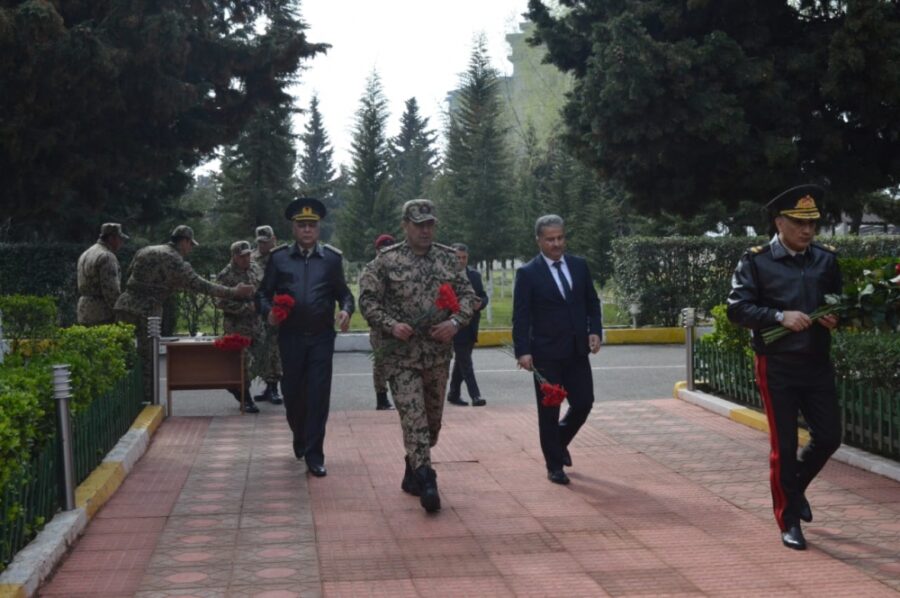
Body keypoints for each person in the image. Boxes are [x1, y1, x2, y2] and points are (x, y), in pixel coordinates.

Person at [727, 184, 843, 551]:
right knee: (785, 446)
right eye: (799, 223)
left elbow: (837, 301)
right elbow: (737, 309)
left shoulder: (826, 259)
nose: (807, 231)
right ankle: (788, 519)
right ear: (780, 223)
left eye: (812, 224)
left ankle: (794, 488)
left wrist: (836, 317)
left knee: (829, 436)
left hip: (817, 363)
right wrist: (779, 316)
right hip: (777, 365)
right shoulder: (756, 261)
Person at [359, 199, 476, 513]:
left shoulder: (448, 258)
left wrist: (455, 323)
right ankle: (427, 480)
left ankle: (412, 470)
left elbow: (469, 297)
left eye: (429, 225)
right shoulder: (386, 261)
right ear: (405, 225)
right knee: (414, 421)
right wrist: (391, 325)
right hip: (401, 357)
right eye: (419, 224)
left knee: (432, 424)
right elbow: (367, 301)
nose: (425, 230)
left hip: (437, 355)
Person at [255, 198, 354, 478]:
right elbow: (262, 294)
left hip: (322, 337)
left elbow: (344, 294)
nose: (307, 230)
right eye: (302, 225)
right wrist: (268, 312)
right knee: (293, 393)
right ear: (294, 228)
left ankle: (314, 453)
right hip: (291, 337)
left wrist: (346, 311)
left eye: (312, 225)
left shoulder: (331, 259)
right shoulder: (279, 258)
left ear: (319, 228)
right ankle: (299, 434)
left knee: (318, 395)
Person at [115, 225, 254, 403]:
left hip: (124, 305)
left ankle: (120, 401)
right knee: (148, 360)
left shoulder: (147, 250)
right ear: (184, 241)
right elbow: (201, 285)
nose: (191, 249)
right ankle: (147, 403)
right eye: (191, 245)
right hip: (147, 311)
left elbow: (130, 273)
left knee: (122, 357)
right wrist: (234, 292)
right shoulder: (175, 260)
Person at [512, 214, 602, 486]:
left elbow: (592, 302)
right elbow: (521, 316)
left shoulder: (579, 266)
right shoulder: (528, 273)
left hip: (577, 350)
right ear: (539, 240)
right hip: (545, 353)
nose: (557, 244)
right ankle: (554, 465)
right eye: (550, 239)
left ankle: (559, 441)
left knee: (583, 402)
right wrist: (522, 351)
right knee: (549, 411)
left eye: (560, 237)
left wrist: (595, 331)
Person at [216, 240, 263, 414]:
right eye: (242, 256)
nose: (246, 258)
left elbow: (262, 288)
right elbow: (220, 302)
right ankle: (245, 398)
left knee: (259, 359)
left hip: (256, 325)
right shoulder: (226, 275)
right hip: (237, 327)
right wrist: (245, 308)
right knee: (243, 362)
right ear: (234, 257)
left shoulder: (254, 268)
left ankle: (234, 385)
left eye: (248, 255)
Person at [446, 242, 489, 407]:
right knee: (465, 361)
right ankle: (475, 395)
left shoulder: (474, 275)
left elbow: (483, 296)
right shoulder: (445, 275)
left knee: (461, 361)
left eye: (464, 257)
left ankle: (453, 393)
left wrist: (481, 303)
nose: (461, 261)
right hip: (455, 323)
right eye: (457, 257)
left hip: (471, 324)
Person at [251, 225, 283, 405]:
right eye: (260, 242)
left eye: (266, 242)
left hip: (276, 309)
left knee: (274, 350)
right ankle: (266, 385)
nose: (262, 245)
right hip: (257, 311)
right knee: (261, 349)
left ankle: (273, 387)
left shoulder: (280, 257)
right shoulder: (252, 258)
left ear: (274, 239)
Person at [77, 223, 128, 325]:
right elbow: (111, 291)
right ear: (111, 238)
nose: (121, 242)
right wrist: (121, 314)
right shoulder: (107, 257)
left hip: (83, 311)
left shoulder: (86, 253)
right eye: (119, 239)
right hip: (102, 314)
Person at [367, 233, 397, 411]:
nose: (386, 253)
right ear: (377, 250)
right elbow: (368, 302)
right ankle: (381, 398)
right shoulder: (372, 271)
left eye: (390, 249)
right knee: (380, 363)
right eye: (383, 249)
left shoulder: (398, 269)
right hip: (380, 326)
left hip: (398, 325)